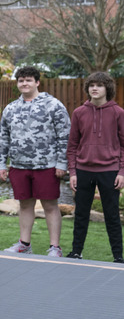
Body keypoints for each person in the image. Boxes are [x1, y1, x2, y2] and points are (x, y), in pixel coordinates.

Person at [0, 66, 69, 257]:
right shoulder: (11, 108)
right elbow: (3, 138)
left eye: (28, 80)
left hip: (46, 165)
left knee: (50, 206)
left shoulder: (53, 105)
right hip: (19, 166)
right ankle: (24, 244)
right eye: (21, 80)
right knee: (25, 205)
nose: (24, 83)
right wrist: (2, 164)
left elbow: (65, 136)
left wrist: (62, 163)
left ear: (37, 82)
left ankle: (55, 247)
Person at [66, 72, 124, 262]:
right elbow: (72, 145)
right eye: (91, 85)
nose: (95, 88)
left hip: (110, 170)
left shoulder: (118, 113)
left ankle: (118, 257)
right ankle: (76, 252)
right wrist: (73, 172)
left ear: (107, 88)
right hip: (83, 170)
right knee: (81, 214)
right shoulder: (79, 113)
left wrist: (122, 172)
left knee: (112, 215)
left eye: (99, 85)